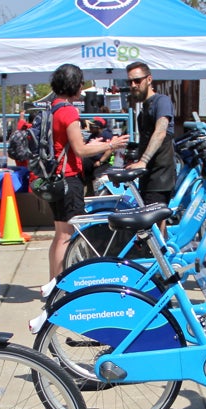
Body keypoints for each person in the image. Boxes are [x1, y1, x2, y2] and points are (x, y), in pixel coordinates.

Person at [45, 64, 129, 279]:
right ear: (74, 84)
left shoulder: (53, 107)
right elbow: (80, 149)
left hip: (54, 178)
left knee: (60, 234)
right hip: (68, 178)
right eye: (81, 82)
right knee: (67, 235)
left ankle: (53, 283)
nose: (82, 87)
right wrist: (111, 145)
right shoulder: (68, 111)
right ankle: (60, 284)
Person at [125, 61, 176, 208]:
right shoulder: (144, 110)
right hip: (148, 177)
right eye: (130, 82)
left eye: (137, 80)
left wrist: (143, 161)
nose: (133, 85)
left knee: (153, 224)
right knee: (156, 227)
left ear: (149, 79)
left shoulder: (162, 101)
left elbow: (160, 132)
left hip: (160, 178)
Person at [81, 116, 115, 188]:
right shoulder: (92, 135)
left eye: (92, 126)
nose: (90, 128)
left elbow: (110, 149)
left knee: (97, 176)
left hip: (102, 163)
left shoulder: (106, 134)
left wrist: (100, 161)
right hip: (89, 162)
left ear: (98, 127)